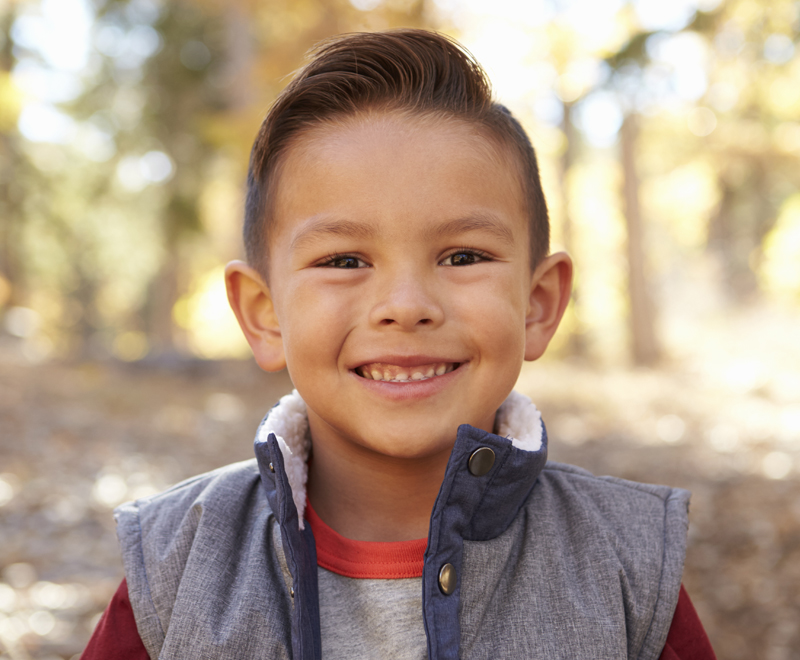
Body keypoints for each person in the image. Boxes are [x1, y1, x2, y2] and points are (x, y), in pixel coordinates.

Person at [82, 29, 716, 659]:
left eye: (463, 255)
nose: (406, 306)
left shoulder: (629, 571)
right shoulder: (173, 572)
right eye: (345, 259)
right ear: (264, 314)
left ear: (538, 303)